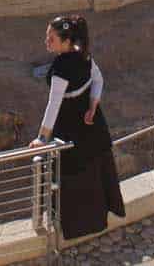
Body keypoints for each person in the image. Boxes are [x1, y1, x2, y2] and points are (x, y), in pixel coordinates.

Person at [32, 15, 124, 239]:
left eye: (51, 38)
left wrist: (42, 139)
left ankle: (76, 227)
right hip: (93, 127)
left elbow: (54, 104)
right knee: (95, 171)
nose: (47, 42)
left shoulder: (61, 67)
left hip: (71, 129)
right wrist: (92, 106)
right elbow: (99, 80)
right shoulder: (84, 54)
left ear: (65, 40)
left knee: (72, 177)